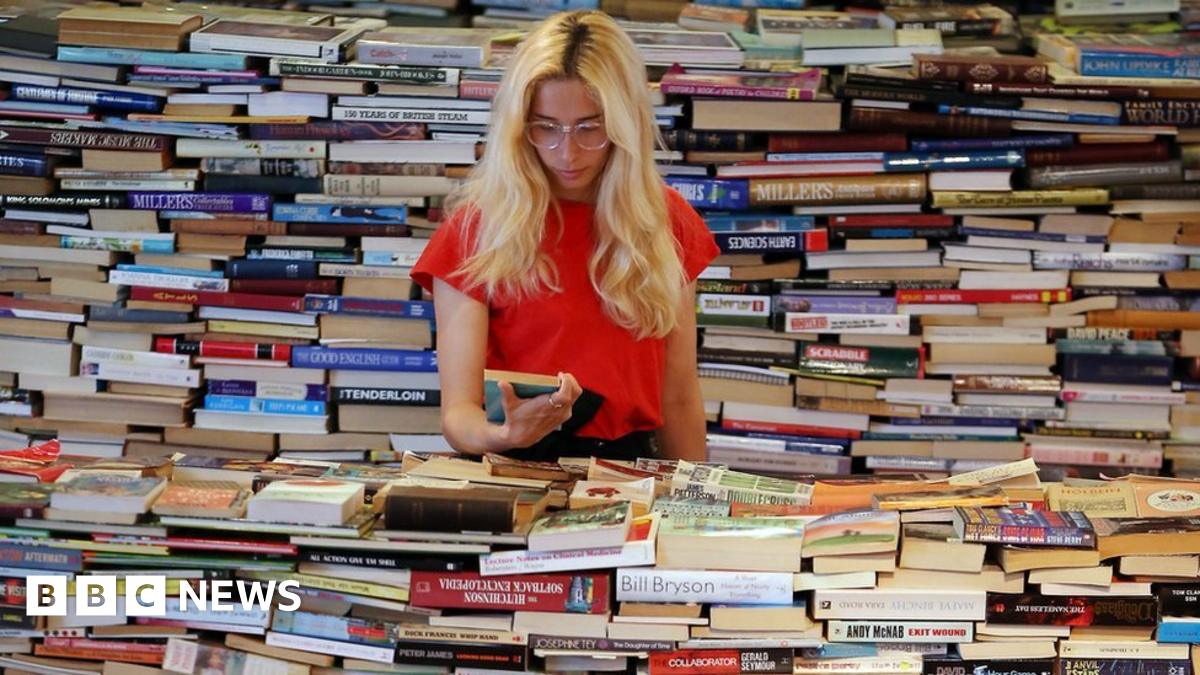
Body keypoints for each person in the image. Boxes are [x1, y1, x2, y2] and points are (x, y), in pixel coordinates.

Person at [410, 10, 719, 462]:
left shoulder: (665, 219)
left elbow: (678, 398)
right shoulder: (479, 226)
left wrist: (697, 507)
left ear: (624, 123)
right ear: (519, 127)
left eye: (590, 127)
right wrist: (504, 435)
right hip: (515, 465)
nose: (567, 151)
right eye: (546, 127)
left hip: (630, 467)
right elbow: (458, 415)